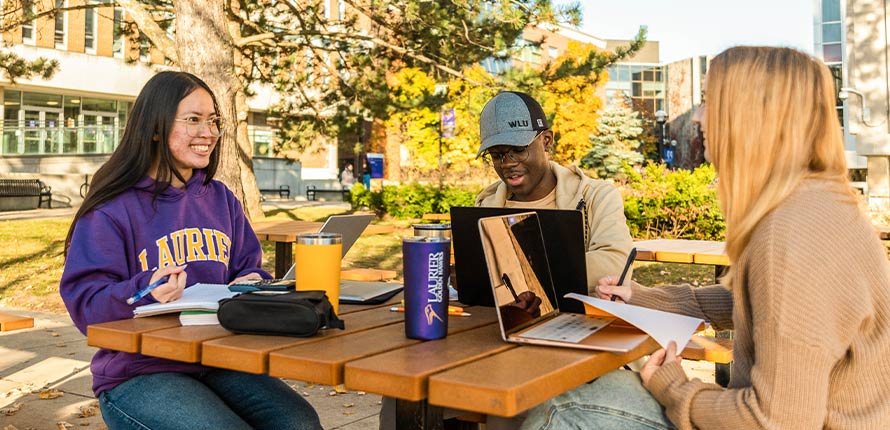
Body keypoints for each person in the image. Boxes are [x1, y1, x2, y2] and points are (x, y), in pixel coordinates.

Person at [520, 46, 890, 430]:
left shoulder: (793, 233)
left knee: (563, 407)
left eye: (711, 101)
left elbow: (777, 420)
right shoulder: (813, 204)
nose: (698, 116)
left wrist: (677, 389)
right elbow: (761, 304)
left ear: (754, 117)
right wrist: (647, 299)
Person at [60, 71, 321, 430]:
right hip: (140, 372)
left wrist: (253, 281)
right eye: (193, 120)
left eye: (213, 120)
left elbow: (250, 269)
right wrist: (144, 288)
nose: (209, 132)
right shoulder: (112, 209)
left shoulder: (221, 200)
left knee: (300, 423)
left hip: (218, 360)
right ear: (155, 127)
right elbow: (86, 306)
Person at [475, 91, 633, 294]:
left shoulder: (596, 197)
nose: (508, 163)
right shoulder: (484, 206)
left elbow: (616, 264)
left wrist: (520, 269)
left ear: (547, 141)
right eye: (497, 156)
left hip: (580, 322)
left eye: (519, 149)